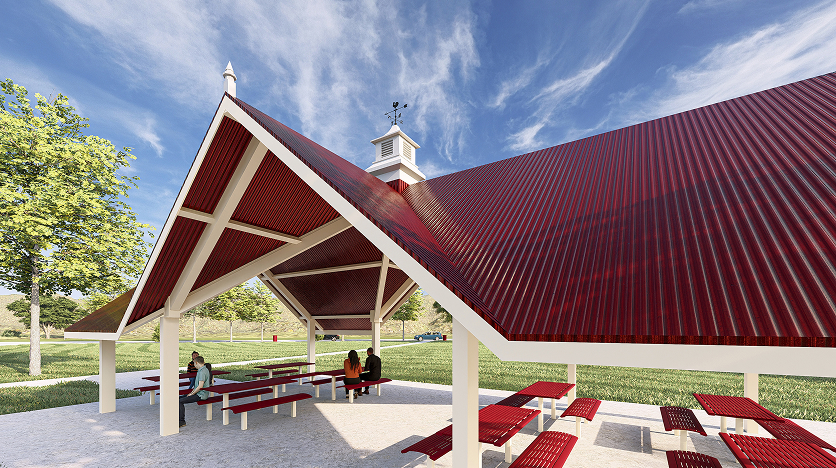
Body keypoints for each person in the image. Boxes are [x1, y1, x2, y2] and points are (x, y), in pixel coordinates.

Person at [179, 355, 211, 427]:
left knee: (180, 401)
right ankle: (177, 418)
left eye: (194, 363)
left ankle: (181, 421)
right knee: (179, 398)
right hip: (199, 393)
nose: (194, 365)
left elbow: (200, 386)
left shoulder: (202, 372)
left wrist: (191, 394)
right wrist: (191, 393)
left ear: (196, 362)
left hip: (201, 395)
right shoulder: (204, 369)